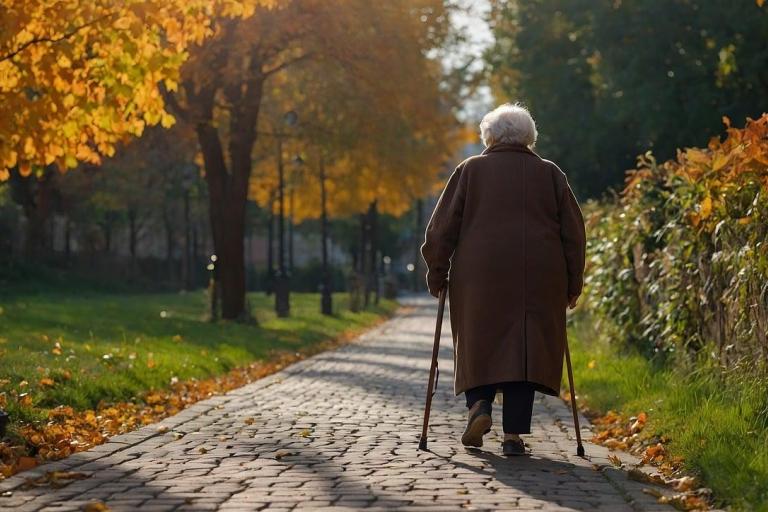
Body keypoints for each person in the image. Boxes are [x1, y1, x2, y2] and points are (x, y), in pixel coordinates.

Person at [421, 103, 586, 456]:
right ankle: (513, 435)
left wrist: (436, 271)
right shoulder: (551, 173)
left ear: (489, 136)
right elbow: (574, 233)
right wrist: (574, 282)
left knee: (479, 340)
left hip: (479, 273)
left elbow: (441, 228)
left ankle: (479, 406)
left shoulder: (470, 170)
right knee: (523, 348)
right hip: (541, 273)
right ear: (529, 137)